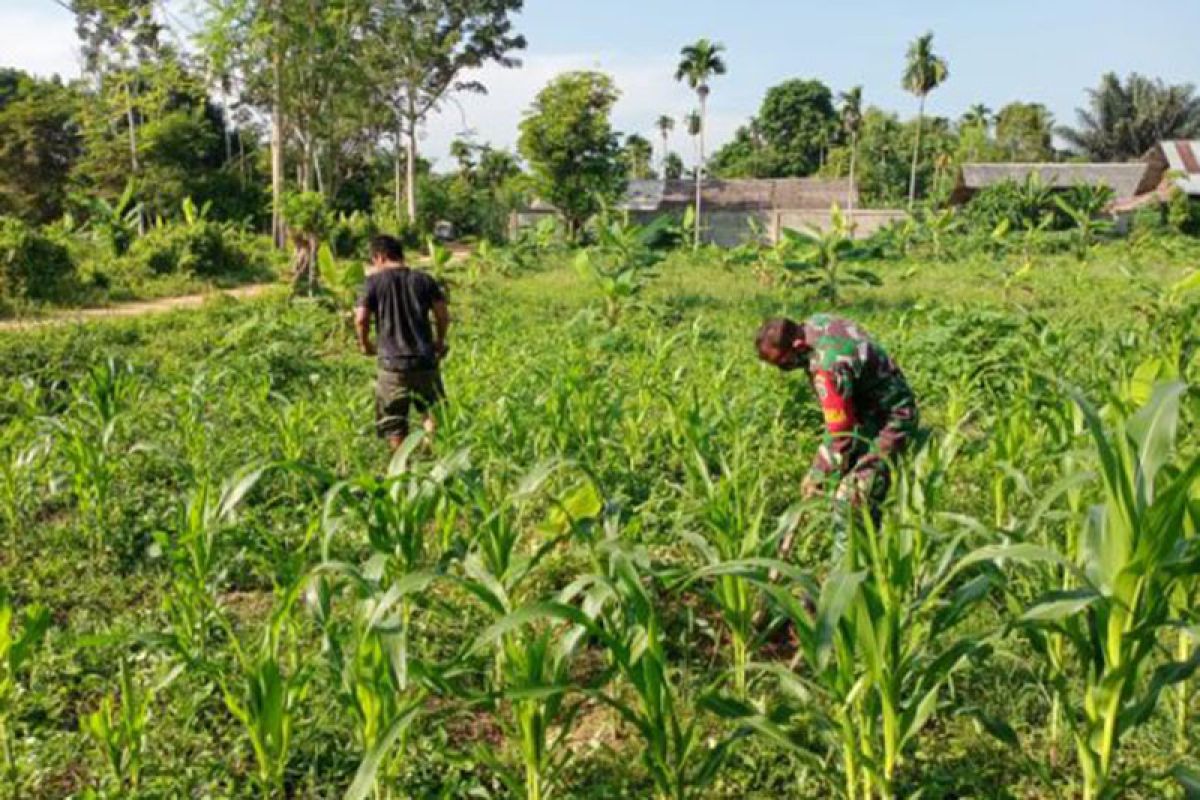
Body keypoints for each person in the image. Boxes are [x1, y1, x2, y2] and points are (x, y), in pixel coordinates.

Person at [755, 314, 918, 558]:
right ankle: (866, 561)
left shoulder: (827, 367)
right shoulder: (815, 325)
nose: (784, 370)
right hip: (864, 411)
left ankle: (846, 584)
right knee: (853, 496)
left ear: (798, 347)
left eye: (783, 364)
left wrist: (818, 473)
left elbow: (841, 432)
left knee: (850, 501)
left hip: (891, 420)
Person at [355, 235, 450, 450]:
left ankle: (401, 471)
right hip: (424, 360)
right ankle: (431, 458)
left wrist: (365, 345)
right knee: (431, 411)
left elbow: (361, 319)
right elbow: (443, 316)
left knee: (395, 423)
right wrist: (439, 341)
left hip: (392, 365)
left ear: (380, 256)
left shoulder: (372, 283)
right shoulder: (424, 280)